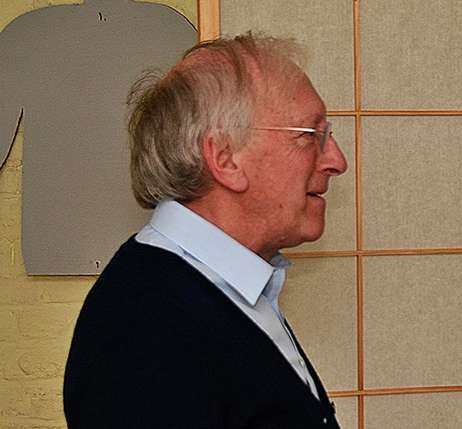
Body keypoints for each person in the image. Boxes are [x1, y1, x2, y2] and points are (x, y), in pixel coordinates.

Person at [63, 33, 347, 428]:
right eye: (309, 136)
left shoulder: (227, 288)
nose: (336, 160)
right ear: (225, 158)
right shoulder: (144, 329)